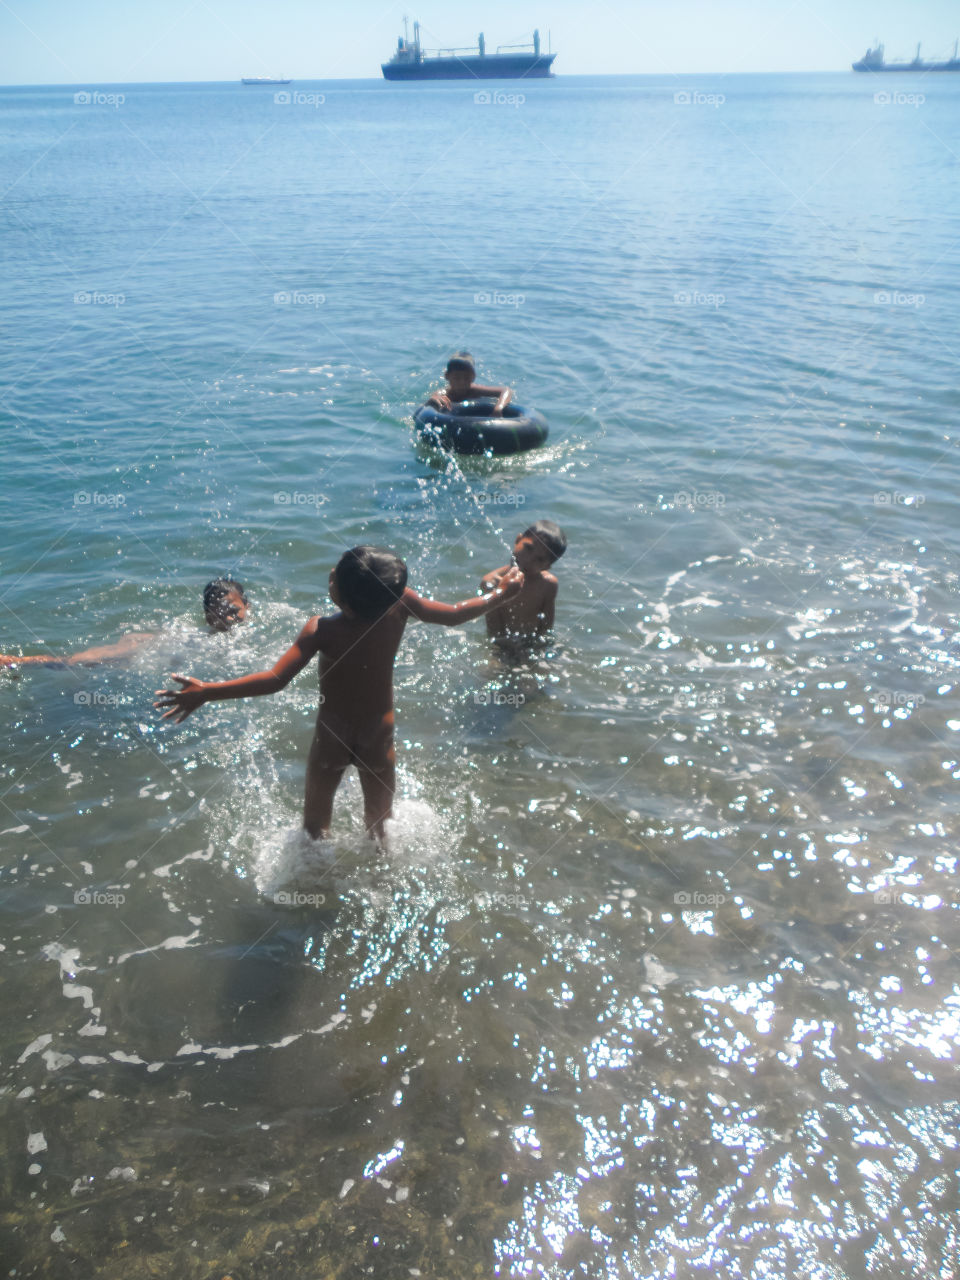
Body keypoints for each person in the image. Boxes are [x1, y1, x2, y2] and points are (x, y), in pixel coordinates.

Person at [154, 547, 523, 845]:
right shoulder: (401, 603)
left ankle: (313, 885)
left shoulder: (322, 629)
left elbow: (274, 679)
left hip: (333, 736)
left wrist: (207, 692)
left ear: (339, 597)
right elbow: (456, 614)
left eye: (335, 576)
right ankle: (381, 876)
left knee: (314, 827)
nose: (331, 574)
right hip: (379, 734)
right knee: (380, 826)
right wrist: (501, 594)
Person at [0, 579, 249, 669]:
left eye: (234, 610)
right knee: (79, 662)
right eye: (220, 612)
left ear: (247, 606)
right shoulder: (204, 635)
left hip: (159, 642)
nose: (229, 618)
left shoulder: (243, 630)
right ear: (207, 616)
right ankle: (16, 661)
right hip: (150, 646)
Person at [480, 520, 567, 642]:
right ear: (518, 540)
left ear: (546, 567)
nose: (528, 559)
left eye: (539, 559)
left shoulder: (548, 585)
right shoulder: (492, 583)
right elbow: (494, 629)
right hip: (502, 643)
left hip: (533, 642)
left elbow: (546, 627)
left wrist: (541, 649)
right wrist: (500, 654)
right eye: (528, 548)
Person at [425, 351, 513, 417]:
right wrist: (434, 400)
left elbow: (506, 390)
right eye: (457, 378)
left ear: (473, 377)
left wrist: (498, 408)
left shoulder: (475, 390)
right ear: (447, 376)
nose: (462, 382)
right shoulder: (445, 393)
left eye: (466, 378)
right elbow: (433, 400)